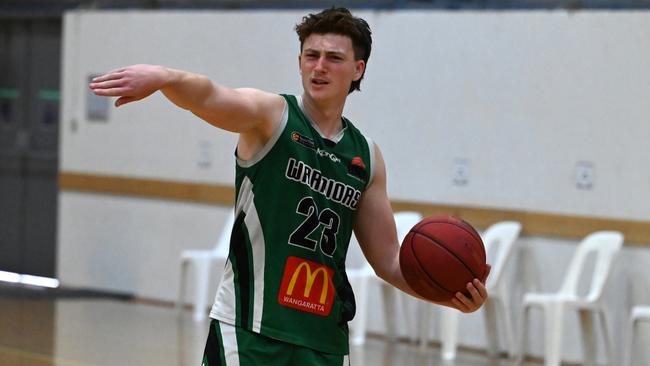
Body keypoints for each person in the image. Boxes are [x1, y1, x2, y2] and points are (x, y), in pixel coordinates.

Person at [90, 7, 489, 366]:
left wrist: (449, 295)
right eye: (311, 56)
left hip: (324, 339)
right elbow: (211, 95)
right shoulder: (271, 117)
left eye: (334, 58)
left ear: (358, 69)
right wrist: (165, 78)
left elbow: (388, 261)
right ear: (299, 62)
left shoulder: (366, 157)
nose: (319, 67)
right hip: (251, 327)